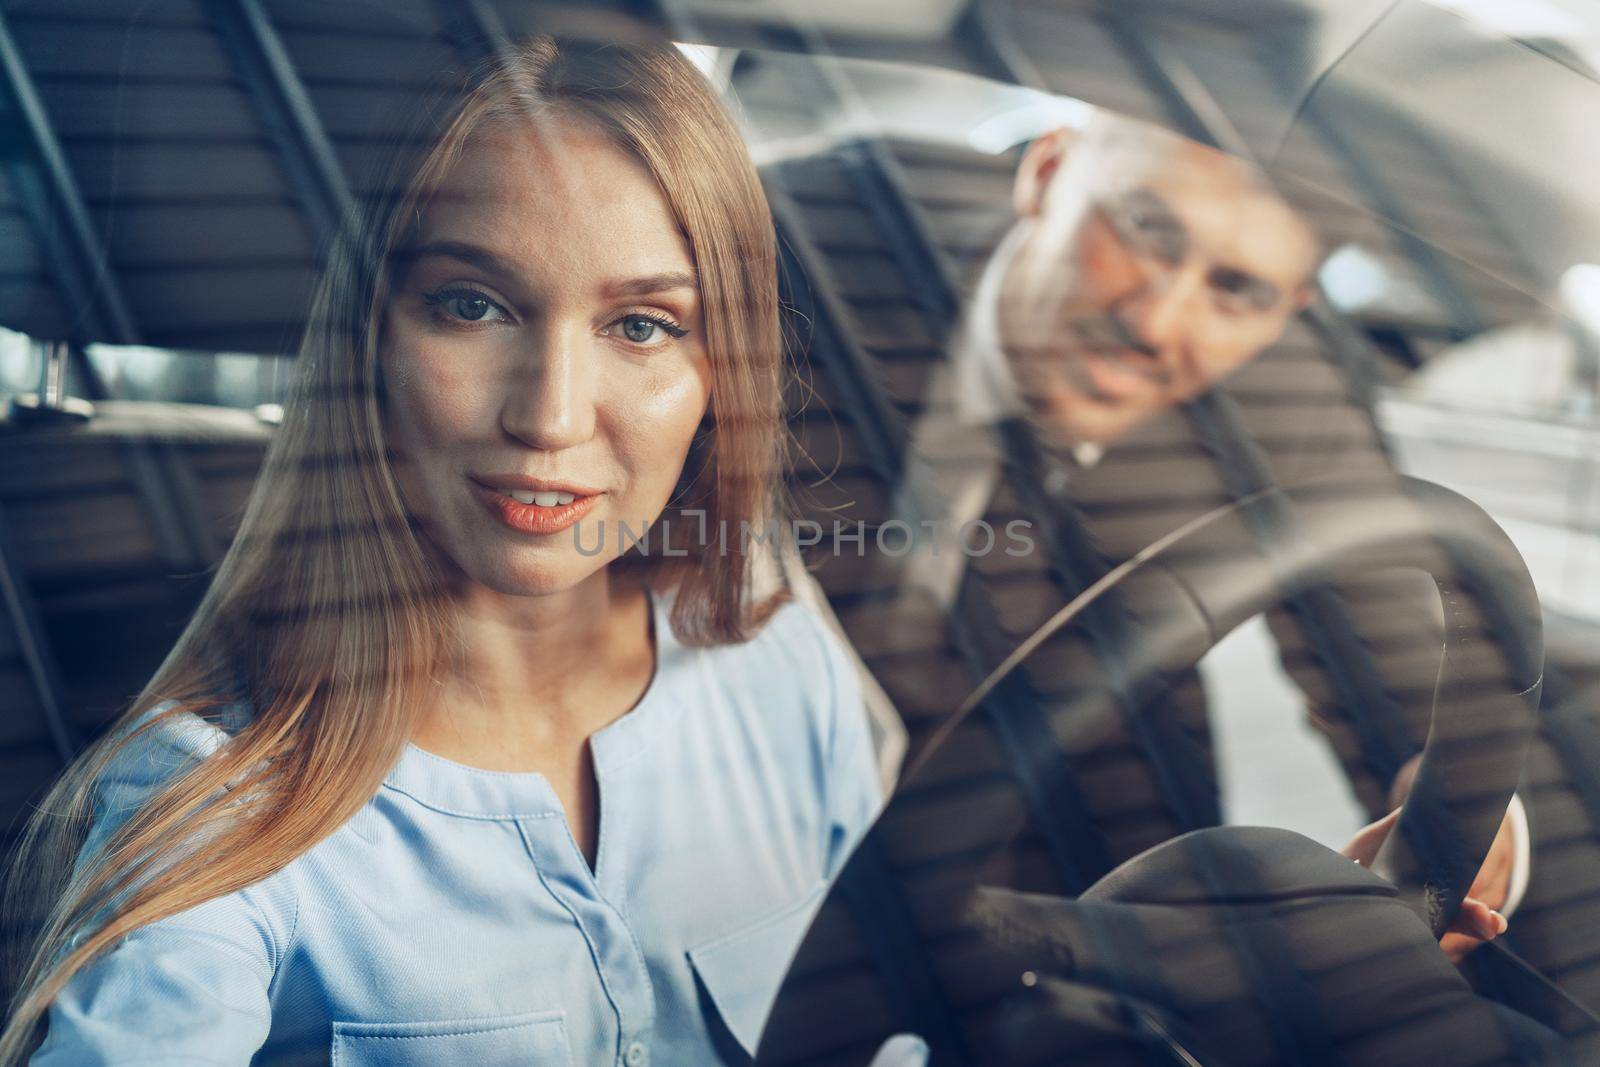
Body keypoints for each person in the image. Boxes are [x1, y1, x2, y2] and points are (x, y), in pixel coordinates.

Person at [0, 37, 881, 1066]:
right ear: (371, 340)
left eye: (641, 325)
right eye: (473, 305)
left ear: (722, 369)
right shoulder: (215, 805)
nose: (550, 416)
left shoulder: (769, 637)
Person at [888, 111, 1526, 960]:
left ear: (1290, 309)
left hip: (1068, 835)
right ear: (1046, 172)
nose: (1155, 320)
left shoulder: (1288, 395)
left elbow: (1402, 669)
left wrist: (1461, 821)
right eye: (1146, 228)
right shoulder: (804, 250)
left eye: (1239, 288)